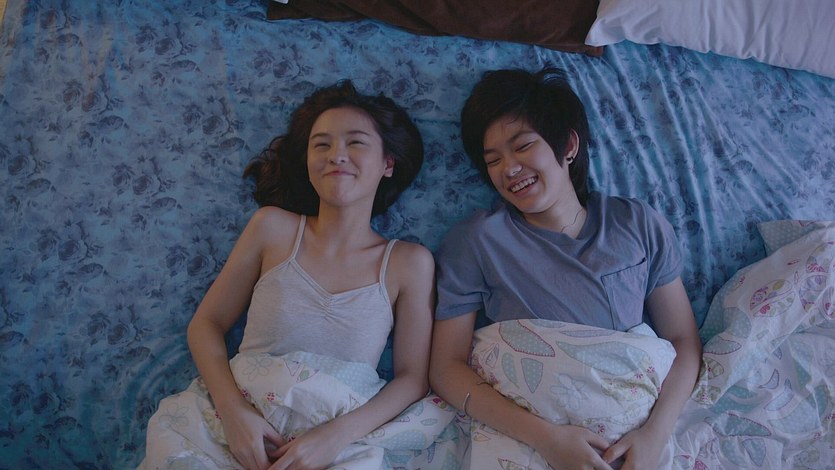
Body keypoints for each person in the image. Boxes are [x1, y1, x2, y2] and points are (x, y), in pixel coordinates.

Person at [140, 80, 435, 470]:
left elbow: (412, 378)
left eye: (356, 142)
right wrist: (233, 412)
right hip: (237, 421)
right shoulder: (273, 228)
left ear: (388, 164)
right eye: (321, 144)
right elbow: (206, 324)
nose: (336, 155)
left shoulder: (408, 262)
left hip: (341, 437)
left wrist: (335, 437)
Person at [429, 68, 702, 470]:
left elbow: (683, 342)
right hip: (532, 435)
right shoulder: (475, 241)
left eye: (523, 147)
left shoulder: (636, 223)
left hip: (637, 434)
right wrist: (548, 439)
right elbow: (445, 367)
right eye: (494, 160)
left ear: (569, 145)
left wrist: (654, 435)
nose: (509, 169)